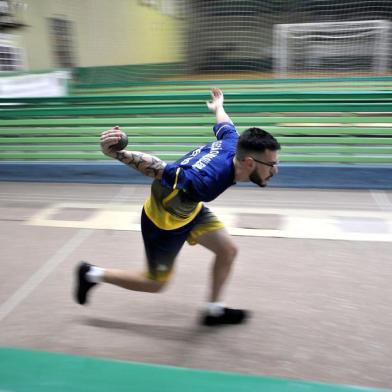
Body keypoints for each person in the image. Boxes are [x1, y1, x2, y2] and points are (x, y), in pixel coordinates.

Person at [74, 88, 280, 326]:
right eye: (271, 165)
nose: (275, 170)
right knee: (155, 282)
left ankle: (213, 311)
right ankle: (90, 273)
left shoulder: (234, 143)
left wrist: (218, 107)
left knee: (228, 251)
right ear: (250, 162)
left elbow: (226, 125)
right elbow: (160, 168)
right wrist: (118, 154)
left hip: (189, 209)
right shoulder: (206, 179)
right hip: (163, 221)